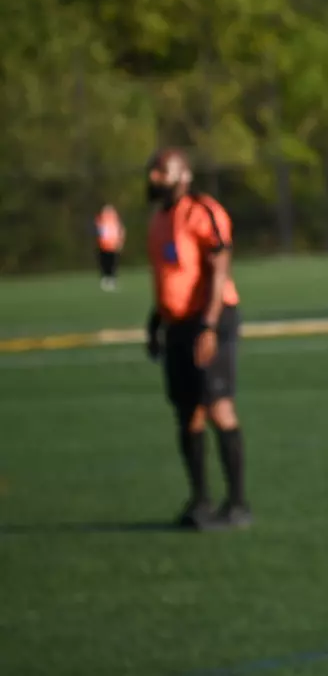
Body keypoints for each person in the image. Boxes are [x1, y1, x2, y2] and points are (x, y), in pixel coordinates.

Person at [143, 148, 251, 530]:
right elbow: (169, 279)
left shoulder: (202, 211)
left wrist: (208, 325)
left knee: (218, 406)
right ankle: (200, 500)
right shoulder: (158, 219)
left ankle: (237, 504)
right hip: (177, 324)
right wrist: (156, 323)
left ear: (183, 175)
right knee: (188, 412)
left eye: (161, 171)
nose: (154, 178)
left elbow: (219, 268)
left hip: (210, 318)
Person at [95, 203, 125, 292]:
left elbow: (120, 231)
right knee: (105, 263)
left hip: (112, 245)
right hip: (105, 245)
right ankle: (106, 279)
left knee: (112, 263)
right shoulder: (102, 220)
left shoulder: (115, 220)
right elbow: (99, 232)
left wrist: (120, 242)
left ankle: (111, 279)